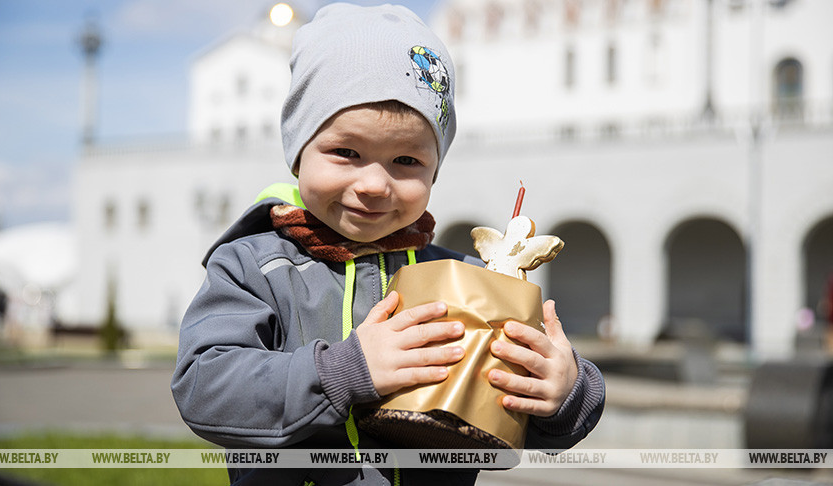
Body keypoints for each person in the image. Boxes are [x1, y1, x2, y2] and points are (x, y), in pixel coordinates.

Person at [171, 4, 604, 485]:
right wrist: (345, 372)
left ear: (434, 169)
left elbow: (513, 418)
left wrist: (565, 393)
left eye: (405, 159)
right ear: (297, 153)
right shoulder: (256, 265)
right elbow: (204, 388)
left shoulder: (463, 282)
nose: (375, 184)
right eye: (346, 152)